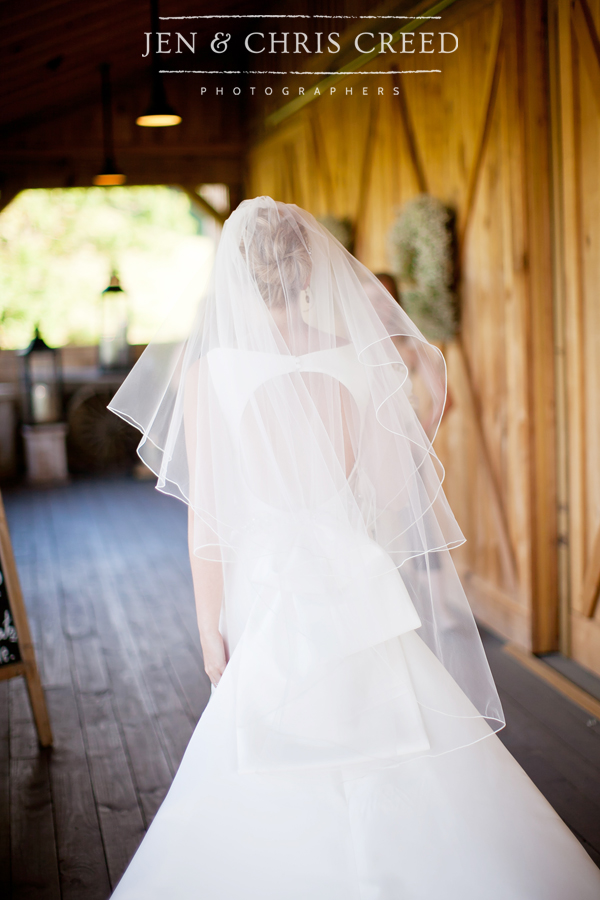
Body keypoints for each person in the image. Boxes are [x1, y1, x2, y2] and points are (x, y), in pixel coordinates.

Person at [108, 198, 600, 899]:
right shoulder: (353, 357)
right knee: (397, 725)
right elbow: (397, 495)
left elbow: (208, 522)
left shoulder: (209, 371)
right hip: (354, 577)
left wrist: (208, 630)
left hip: (268, 582)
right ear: (310, 268)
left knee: (266, 738)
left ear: (239, 276)